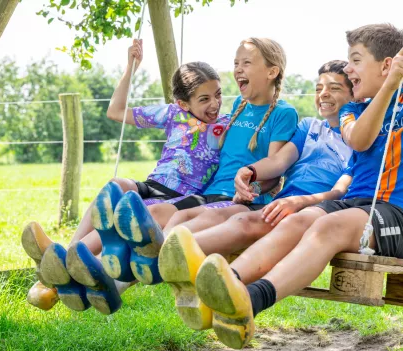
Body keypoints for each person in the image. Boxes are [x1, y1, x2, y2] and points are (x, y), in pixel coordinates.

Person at [169, 1, 403, 349]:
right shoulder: (352, 110)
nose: (348, 67)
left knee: (328, 226)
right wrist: (386, 89)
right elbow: (360, 138)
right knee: (297, 220)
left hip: (397, 216)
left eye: (356, 59)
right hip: (352, 204)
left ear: (386, 66)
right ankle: (223, 289)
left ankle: (251, 300)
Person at [22, 38, 229, 312]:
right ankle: (70, 252)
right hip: (154, 184)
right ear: (183, 103)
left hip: (181, 197)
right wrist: (130, 68)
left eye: (218, 94)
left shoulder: (226, 125)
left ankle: (65, 262)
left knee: (125, 215)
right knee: (115, 185)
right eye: (205, 98)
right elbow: (115, 111)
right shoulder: (172, 114)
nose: (214, 104)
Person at [157, 59, 356, 330]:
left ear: (353, 93)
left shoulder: (358, 140)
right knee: (234, 214)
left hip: (315, 210)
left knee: (245, 222)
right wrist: (249, 171)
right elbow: (278, 162)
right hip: (281, 202)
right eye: (319, 87)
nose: (323, 94)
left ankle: (173, 255)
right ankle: (178, 261)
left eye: (334, 88)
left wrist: (300, 201)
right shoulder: (310, 127)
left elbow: (340, 191)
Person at [108, 37, 298, 285]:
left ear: (272, 71)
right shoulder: (239, 107)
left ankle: (139, 272)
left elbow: (275, 167)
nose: (238, 68)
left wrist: (251, 188)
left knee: (196, 222)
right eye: (236, 62)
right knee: (165, 214)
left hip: (241, 200)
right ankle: (114, 269)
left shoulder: (283, 113)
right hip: (210, 193)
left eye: (247, 62)